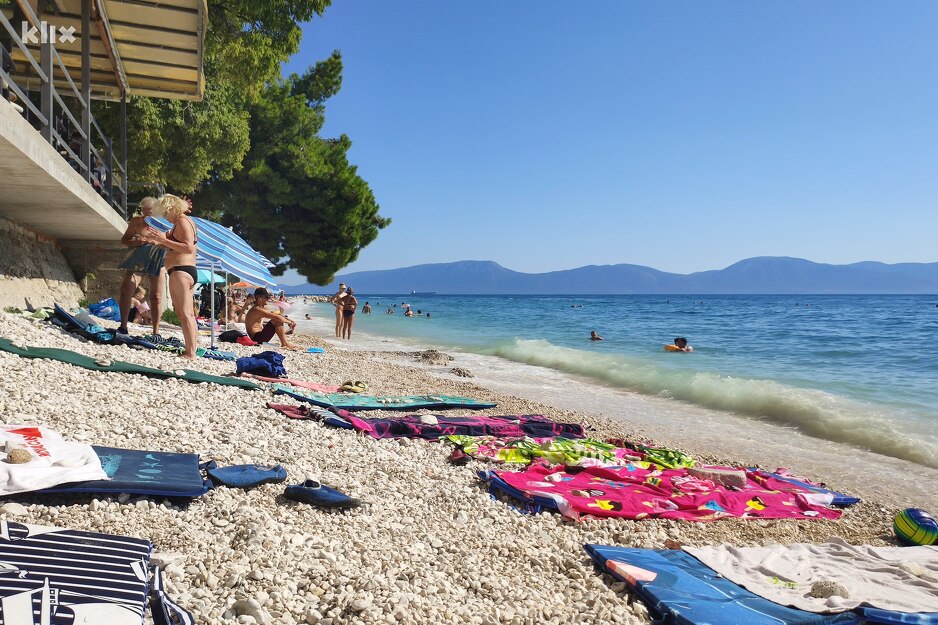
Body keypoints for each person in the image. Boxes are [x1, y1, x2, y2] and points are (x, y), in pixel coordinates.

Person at [139, 194, 199, 358]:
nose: (165, 217)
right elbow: (178, 245)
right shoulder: (182, 222)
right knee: (185, 313)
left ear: (172, 209)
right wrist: (158, 241)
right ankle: (191, 349)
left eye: (165, 213)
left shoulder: (183, 221)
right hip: (184, 270)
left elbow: (188, 248)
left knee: (185, 313)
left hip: (181, 270)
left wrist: (163, 241)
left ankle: (190, 352)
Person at [116, 196, 164, 336]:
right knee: (126, 290)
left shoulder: (163, 223)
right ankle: (123, 326)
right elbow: (125, 240)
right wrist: (136, 242)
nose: (146, 215)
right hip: (139, 259)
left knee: (156, 296)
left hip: (157, 259)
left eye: (149, 212)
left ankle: (156, 331)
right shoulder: (137, 221)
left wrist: (157, 242)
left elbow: (170, 243)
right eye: (144, 212)